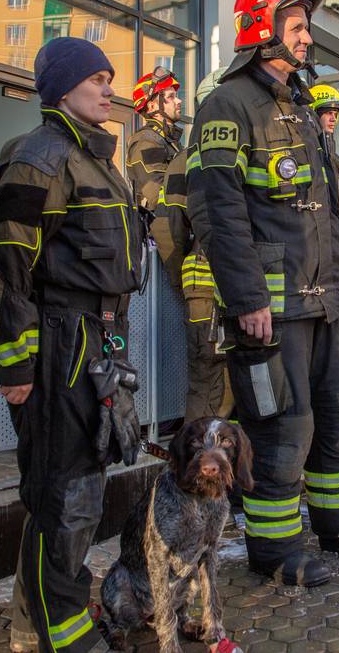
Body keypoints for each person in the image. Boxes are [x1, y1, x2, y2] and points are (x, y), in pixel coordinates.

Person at [186, 0, 339, 587]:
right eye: (298, 26)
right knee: (283, 428)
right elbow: (216, 211)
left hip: (323, 303)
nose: (308, 39)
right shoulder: (226, 105)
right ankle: (274, 550)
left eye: (308, 26)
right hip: (270, 311)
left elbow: (325, 208)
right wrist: (247, 297)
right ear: (264, 29)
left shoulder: (302, 108)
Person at [0, 37, 144, 652]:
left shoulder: (100, 161)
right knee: (63, 493)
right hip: (58, 345)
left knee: (85, 485)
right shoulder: (37, 156)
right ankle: (62, 633)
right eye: (96, 79)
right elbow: (4, 267)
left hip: (99, 341)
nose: (108, 89)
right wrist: (16, 363)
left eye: (108, 78)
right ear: (60, 89)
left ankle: (37, 621)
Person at [151, 69, 232, 420]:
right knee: (210, 379)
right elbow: (167, 228)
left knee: (235, 381)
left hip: (241, 290)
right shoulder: (188, 159)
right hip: (208, 290)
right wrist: (183, 281)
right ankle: (198, 468)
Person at [126, 66, 183, 212]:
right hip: (161, 230)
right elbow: (157, 194)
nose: (179, 100)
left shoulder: (168, 140)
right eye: (171, 97)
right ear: (151, 106)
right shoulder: (147, 141)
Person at [310, 83, 339, 208]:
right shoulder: (306, 152)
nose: (333, 119)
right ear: (313, 114)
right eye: (328, 113)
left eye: (336, 114)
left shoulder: (334, 157)